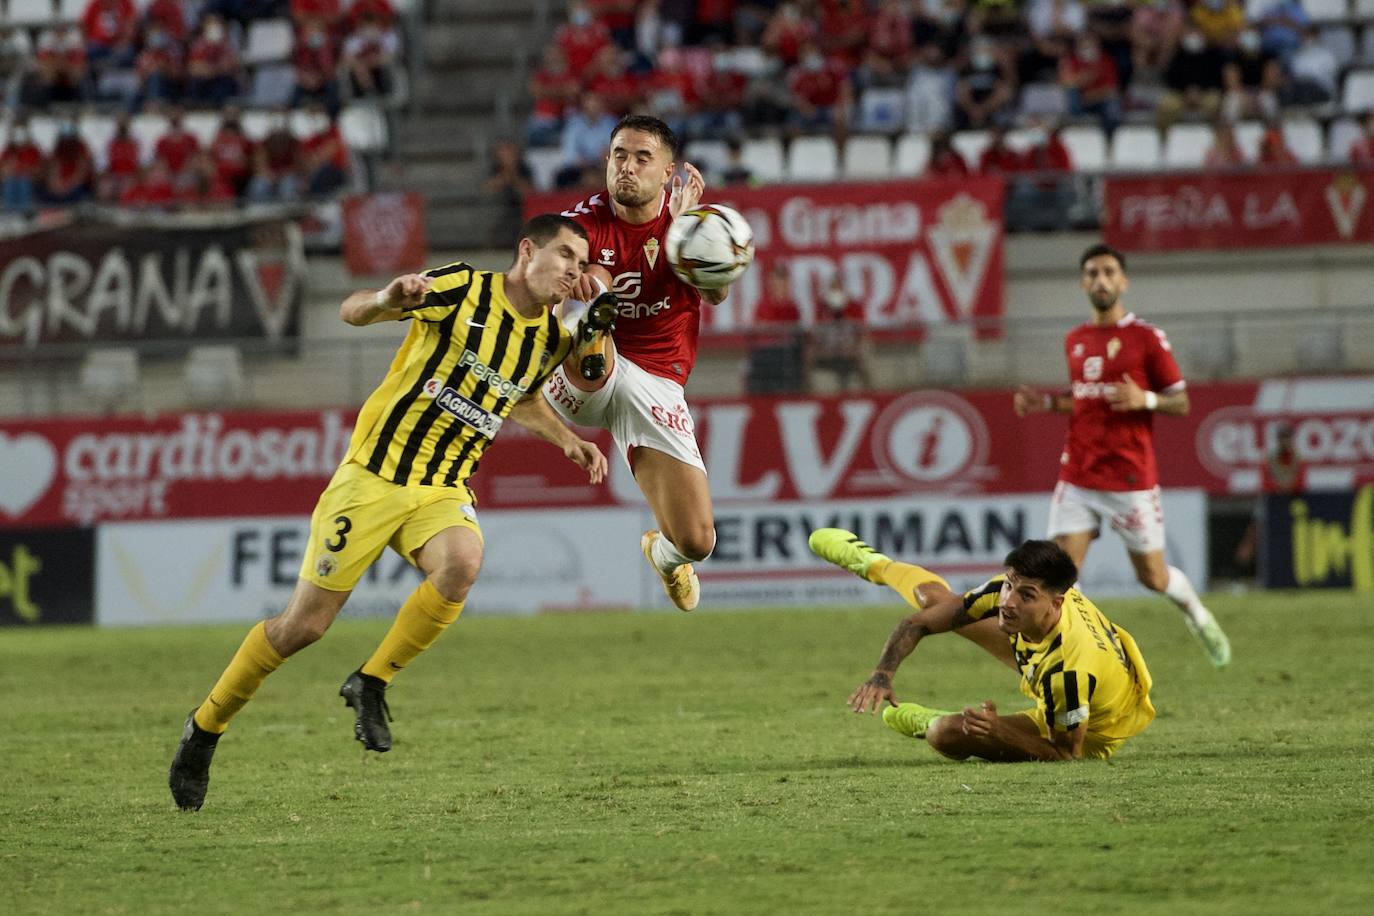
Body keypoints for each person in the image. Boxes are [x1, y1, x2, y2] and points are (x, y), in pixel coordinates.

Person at [168, 215, 608, 811]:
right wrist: (386, 298)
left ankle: (371, 681)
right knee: (302, 629)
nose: (572, 272)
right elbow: (350, 312)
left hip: (441, 486)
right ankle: (206, 728)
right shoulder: (461, 288)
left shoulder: (552, 339)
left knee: (463, 561)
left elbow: (520, 394)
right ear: (527, 251)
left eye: (581, 264)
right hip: (372, 478)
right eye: (564, 256)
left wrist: (568, 440)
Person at [541, 114, 741, 612]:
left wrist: (687, 242)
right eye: (618, 156)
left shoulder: (690, 225)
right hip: (583, 374)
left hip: (657, 381)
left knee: (698, 539)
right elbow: (538, 304)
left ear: (668, 172)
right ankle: (594, 326)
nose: (626, 167)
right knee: (596, 289)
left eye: (641, 158)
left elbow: (715, 294)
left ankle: (664, 556)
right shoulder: (580, 226)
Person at [1012, 244, 1231, 667]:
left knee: (1152, 577)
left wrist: (1144, 398)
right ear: (1083, 282)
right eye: (1092, 273)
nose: (1101, 280)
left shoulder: (1145, 338)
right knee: (1059, 580)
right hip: (1077, 475)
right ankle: (1075, 663)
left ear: (1123, 281)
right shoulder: (1075, 340)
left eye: (1109, 272)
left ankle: (1198, 616)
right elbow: (1083, 400)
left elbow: (1181, 402)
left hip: (1130, 480)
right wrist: (1044, 403)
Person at [810, 530, 1155, 761]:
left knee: (944, 734)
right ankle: (872, 562)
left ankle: (934, 720)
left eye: (1025, 595)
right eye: (1009, 585)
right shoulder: (1013, 594)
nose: (1008, 601)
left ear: (1056, 603)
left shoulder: (1067, 672)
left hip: (1098, 725)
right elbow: (918, 624)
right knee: (935, 603)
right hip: (1049, 652)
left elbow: (1066, 755)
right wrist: (882, 675)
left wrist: (997, 730)